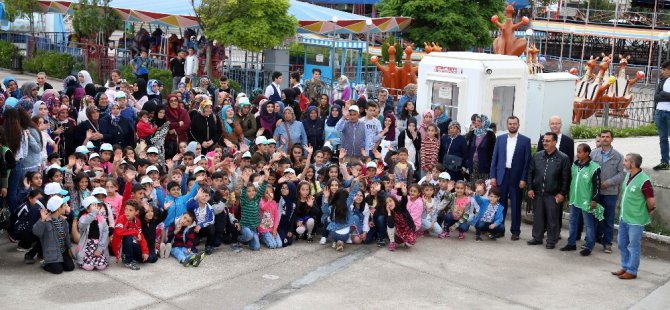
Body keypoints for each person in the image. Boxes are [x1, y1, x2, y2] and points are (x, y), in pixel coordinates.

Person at [612, 153, 655, 280]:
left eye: (626, 161)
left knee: (633, 246)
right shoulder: (628, 176)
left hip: (636, 220)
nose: (623, 163)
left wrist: (650, 209)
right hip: (624, 217)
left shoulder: (644, 180)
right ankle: (625, 267)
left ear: (633, 164)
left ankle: (632, 270)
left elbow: (651, 200)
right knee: (621, 244)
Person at [489, 116, 531, 240]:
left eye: (514, 124)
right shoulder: (500, 139)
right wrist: (493, 176)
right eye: (510, 123)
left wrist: (524, 179)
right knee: (500, 205)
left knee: (516, 205)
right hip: (502, 176)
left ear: (518, 125)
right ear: (507, 125)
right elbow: (494, 158)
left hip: (517, 177)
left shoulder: (525, 141)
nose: (512, 125)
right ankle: (499, 229)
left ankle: (515, 231)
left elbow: (526, 162)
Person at [527, 132, 571, 249]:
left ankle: (551, 240)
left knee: (553, 219)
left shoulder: (563, 158)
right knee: (538, 218)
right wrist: (530, 188)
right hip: (538, 193)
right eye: (544, 141)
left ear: (555, 142)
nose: (545, 143)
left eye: (548, 141)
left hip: (553, 195)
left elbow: (566, 178)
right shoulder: (537, 156)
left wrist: (562, 193)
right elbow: (530, 173)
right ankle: (537, 237)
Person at [560, 143, 602, 256]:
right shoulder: (574, 165)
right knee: (573, 222)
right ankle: (571, 243)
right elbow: (571, 182)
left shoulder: (594, 167)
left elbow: (597, 185)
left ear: (587, 153)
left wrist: (594, 199)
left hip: (586, 201)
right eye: (577, 152)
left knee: (589, 224)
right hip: (574, 199)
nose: (577, 154)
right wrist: (569, 198)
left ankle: (589, 246)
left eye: (579, 152)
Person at [590, 129, 625, 254]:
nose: (605, 139)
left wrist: (608, 182)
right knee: (593, 218)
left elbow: (622, 174)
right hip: (595, 193)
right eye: (603, 137)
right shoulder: (593, 154)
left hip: (610, 193)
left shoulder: (618, 156)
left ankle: (607, 243)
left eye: (607, 137)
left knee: (608, 219)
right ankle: (591, 241)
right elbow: (588, 170)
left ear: (612, 139)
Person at [5, 108, 43, 210]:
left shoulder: (3, 131)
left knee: (7, 191)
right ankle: (15, 213)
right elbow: (25, 152)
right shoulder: (22, 132)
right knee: (15, 191)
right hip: (19, 165)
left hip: (6, 165)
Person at [34, 196, 75, 274]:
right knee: (58, 270)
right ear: (58, 208)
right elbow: (36, 232)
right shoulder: (46, 220)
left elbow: (66, 238)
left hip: (63, 252)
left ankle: (59, 262)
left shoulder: (63, 220)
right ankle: (45, 263)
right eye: (64, 205)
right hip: (52, 253)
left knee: (70, 267)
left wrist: (69, 249)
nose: (66, 207)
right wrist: (42, 220)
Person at [112, 199, 150, 270]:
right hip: (120, 246)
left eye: (130, 210)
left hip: (132, 244)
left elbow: (141, 236)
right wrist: (134, 232)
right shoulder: (121, 218)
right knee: (128, 236)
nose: (127, 212)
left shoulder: (137, 221)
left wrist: (145, 251)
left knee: (147, 259)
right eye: (126, 209)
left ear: (136, 212)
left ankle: (131, 256)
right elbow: (118, 232)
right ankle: (128, 261)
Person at [76, 196, 110, 270]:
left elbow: (105, 232)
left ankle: (98, 260)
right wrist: (93, 213)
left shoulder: (101, 219)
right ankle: (85, 261)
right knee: (89, 267)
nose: (96, 207)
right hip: (87, 247)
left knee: (101, 266)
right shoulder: (83, 218)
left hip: (98, 246)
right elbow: (83, 225)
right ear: (87, 209)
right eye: (93, 205)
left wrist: (100, 248)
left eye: (97, 205)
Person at [465, 114, 496, 182]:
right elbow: (469, 148)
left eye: (479, 121)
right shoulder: (473, 132)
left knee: (482, 186)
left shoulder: (490, 134)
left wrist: (490, 165)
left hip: (484, 165)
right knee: (472, 186)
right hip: (472, 165)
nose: (477, 123)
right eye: (476, 121)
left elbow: (493, 151)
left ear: (485, 122)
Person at [653, 59, 670, 170]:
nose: (662, 71)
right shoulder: (662, 80)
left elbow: (661, 95)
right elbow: (656, 97)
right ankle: (665, 162)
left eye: (664, 69)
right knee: (663, 139)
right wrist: (665, 95)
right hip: (660, 112)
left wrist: (662, 94)